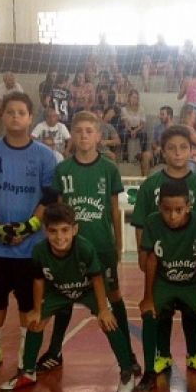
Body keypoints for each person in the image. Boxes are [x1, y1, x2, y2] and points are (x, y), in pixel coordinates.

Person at [37, 111, 141, 376]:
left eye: (89, 131)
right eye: (79, 130)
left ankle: (127, 351)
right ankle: (54, 351)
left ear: (98, 135)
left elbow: (114, 208)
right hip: (69, 249)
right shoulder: (63, 169)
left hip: (102, 245)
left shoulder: (108, 168)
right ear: (72, 134)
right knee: (64, 295)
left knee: (113, 296)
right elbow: (58, 210)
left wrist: (118, 245)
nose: (84, 135)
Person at [0, 91, 58, 372]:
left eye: (21, 112)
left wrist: (29, 227)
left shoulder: (45, 155)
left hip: (31, 246)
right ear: (2, 116)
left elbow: (50, 194)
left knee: (28, 301)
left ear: (31, 118)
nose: (15, 116)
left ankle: (24, 351)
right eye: (10, 112)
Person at [0, 203, 135, 392]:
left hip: (86, 289)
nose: (59, 237)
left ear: (75, 229)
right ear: (45, 231)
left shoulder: (85, 248)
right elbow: (38, 281)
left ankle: (127, 371)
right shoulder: (39, 251)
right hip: (58, 290)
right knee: (35, 323)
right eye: (53, 231)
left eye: (64, 230)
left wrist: (103, 310)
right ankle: (28, 372)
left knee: (109, 322)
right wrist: (37, 310)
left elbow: (97, 278)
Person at [133, 179, 196, 392]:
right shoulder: (152, 223)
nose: (172, 216)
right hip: (164, 282)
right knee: (150, 315)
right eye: (167, 210)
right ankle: (149, 372)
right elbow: (151, 260)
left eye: (179, 210)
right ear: (159, 207)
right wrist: (148, 297)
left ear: (188, 206)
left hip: (192, 283)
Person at [120, 89, 148, 165]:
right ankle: (125, 155)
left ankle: (143, 154)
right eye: (133, 97)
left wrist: (135, 130)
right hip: (128, 128)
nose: (135, 99)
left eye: (136, 97)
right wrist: (131, 130)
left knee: (144, 133)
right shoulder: (124, 109)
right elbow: (125, 123)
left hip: (138, 128)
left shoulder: (141, 108)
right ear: (129, 98)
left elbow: (142, 124)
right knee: (123, 134)